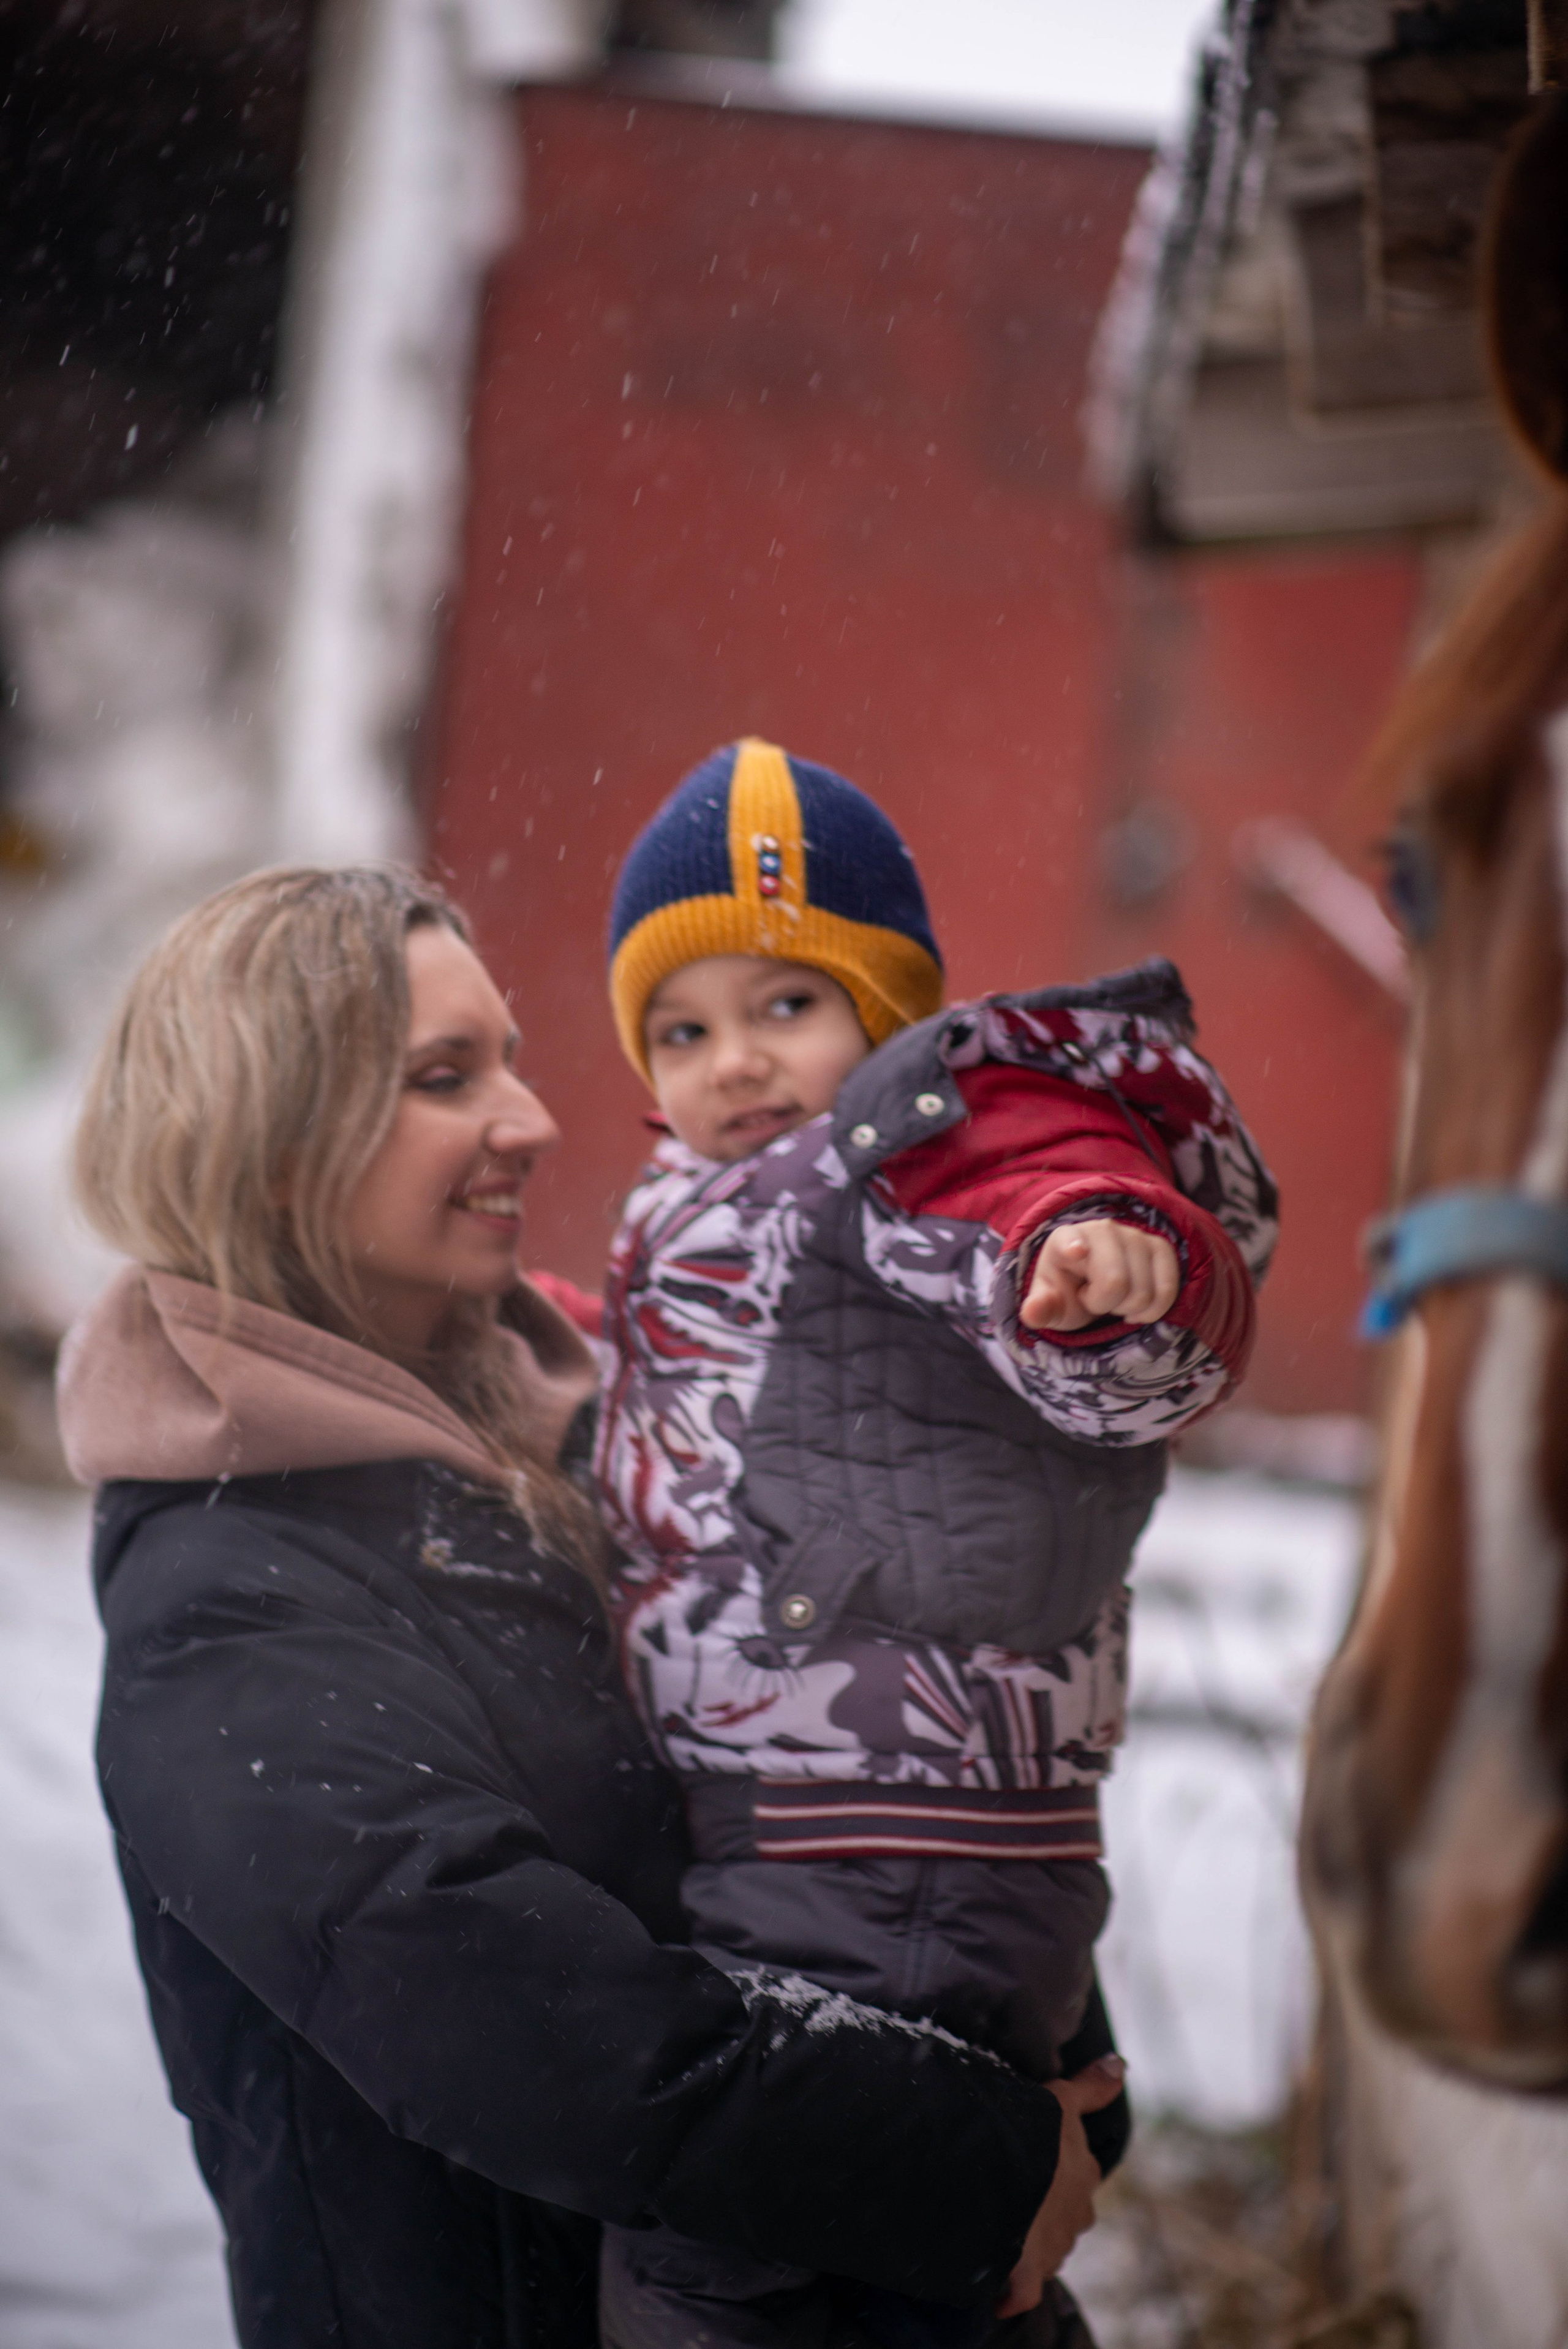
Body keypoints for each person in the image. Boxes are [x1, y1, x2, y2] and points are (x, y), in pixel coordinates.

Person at [56, 865, 1125, 2349]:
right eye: (445, 1077)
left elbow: (840, 1741)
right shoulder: (231, 1590)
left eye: (504, 1054)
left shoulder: (601, 1439)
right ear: (275, 1143)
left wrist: (1033, 2033)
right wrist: (973, 2154)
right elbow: (508, 2017)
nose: (533, 1117)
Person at [579, 740, 1278, 2349]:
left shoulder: (919, 1139)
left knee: (726, 2256)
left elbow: (1044, 1190)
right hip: (831, 1826)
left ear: (890, 1013)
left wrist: (1096, 1262)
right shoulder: (714, 1202)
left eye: (788, 1004)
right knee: (905, 2250)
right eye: (684, 1026)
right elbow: (716, 1419)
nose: (735, 1059)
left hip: (883, 1830)